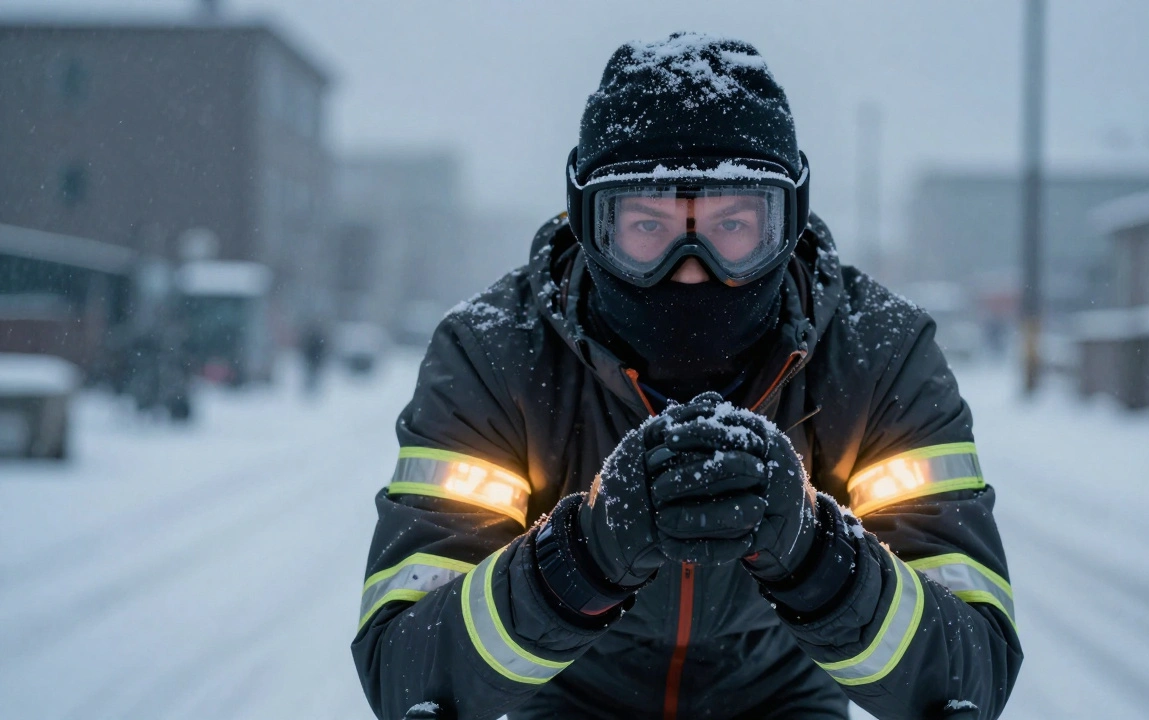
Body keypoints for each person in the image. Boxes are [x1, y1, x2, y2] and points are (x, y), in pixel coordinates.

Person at [353, 33, 1021, 720]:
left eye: (733, 222)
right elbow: (406, 670)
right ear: (589, 222)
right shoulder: (495, 355)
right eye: (647, 224)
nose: (692, 266)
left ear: (786, 221)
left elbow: (974, 669)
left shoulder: (879, 355)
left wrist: (817, 551)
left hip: (785, 694)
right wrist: (580, 553)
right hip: (569, 691)